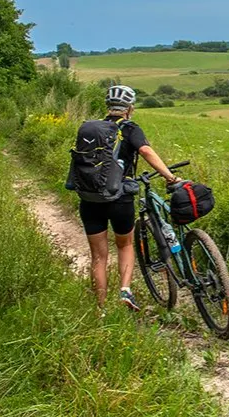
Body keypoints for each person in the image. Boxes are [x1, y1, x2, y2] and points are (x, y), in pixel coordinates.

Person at [77, 84, 180, 311]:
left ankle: (101, 308)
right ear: (129, 108)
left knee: (98, 256)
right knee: (125, 245)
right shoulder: (130, 128)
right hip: (119, 198)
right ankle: (125, 291)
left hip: (90, 199)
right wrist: (170, 177)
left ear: (108, 106)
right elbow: (145, 151)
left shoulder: (91, 129)